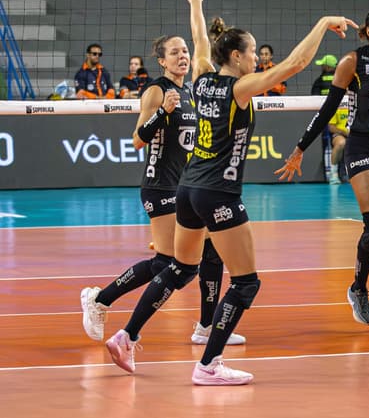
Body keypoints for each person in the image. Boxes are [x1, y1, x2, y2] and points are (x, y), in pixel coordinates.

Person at [103, 0, 354, 384]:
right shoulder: (239, 88)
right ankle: (208, 365)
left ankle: (125, 335)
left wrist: (196, 5)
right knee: (246, 282)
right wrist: (323, 22)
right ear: (236, 56)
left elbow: (201, 40)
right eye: (252, 52)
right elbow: (293, 64)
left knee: (180, 269)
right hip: (219, 192)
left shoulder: (200, 79)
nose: (257, 58)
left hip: (187, 190)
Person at [80, 33, 245, 349]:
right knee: (173, 265)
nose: (182, 56)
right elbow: (137, 139)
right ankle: (100, 299)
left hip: (188, 187)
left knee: (201, 254)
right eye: (175, 52)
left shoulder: (192, 92)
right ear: (162, 60)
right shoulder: (157, 90)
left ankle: (206, 326)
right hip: (160, 187)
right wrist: (162, 112)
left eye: (185, 51)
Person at [277, 8, 369, 334]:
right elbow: (328, 108)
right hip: (362, 147)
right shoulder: (353, 62)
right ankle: (358, 287)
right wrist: (300, 148)